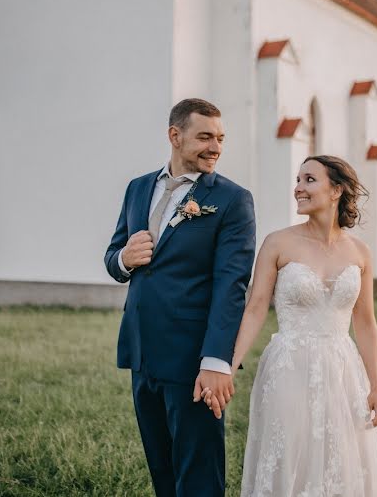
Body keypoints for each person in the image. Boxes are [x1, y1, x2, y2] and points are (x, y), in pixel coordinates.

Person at [104, 98, 256, 497]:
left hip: (193, 359)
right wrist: (124, 257)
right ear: (175, 136)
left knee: (199, 474)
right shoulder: (138, 189)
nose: (216, 147)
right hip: (141, 351)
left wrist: (217, 361)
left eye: (221, 138)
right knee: (162, 469)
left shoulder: (232, 199)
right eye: (205, 136)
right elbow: (114, 255)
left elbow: (232, 285)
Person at [219, 155, 377, 497]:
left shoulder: (360, 252)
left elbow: (366, 322)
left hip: (343, 370)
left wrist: (376, 387)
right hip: (289, 367)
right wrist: (229, 366)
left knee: (341, 459)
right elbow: (254, 310)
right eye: (297, 180)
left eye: (309, 180)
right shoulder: (278, 243)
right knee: (290, 455)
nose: (298, 188)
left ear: (336, 190)